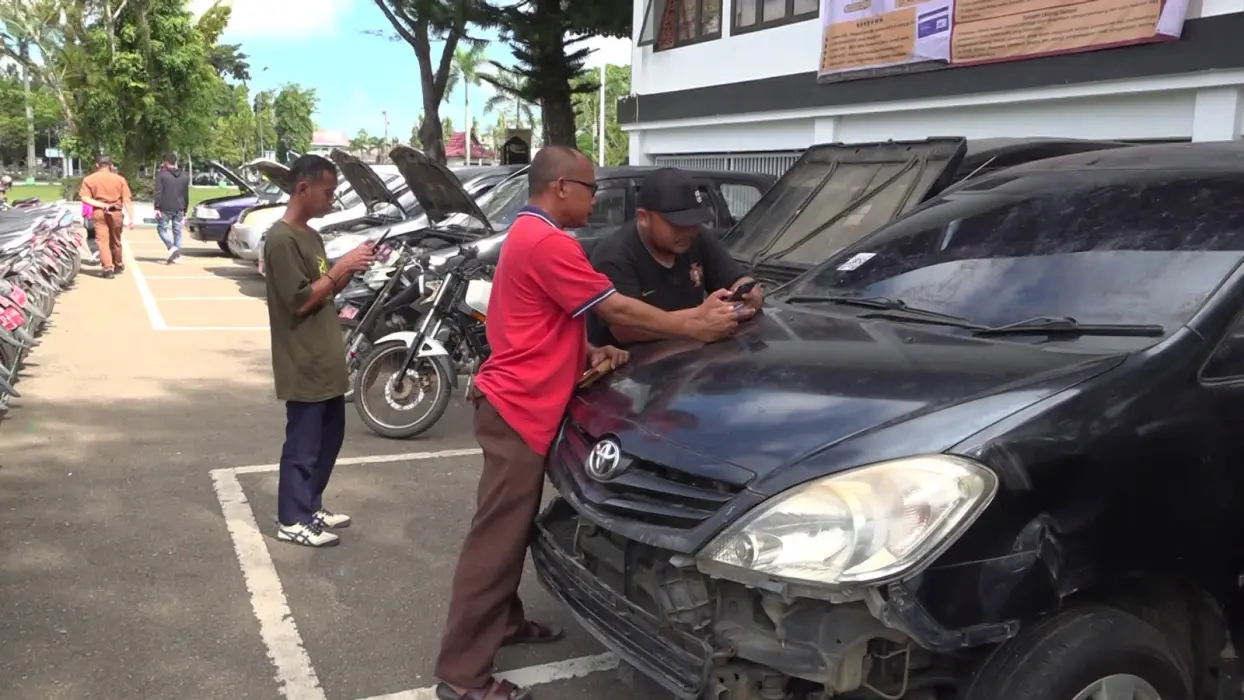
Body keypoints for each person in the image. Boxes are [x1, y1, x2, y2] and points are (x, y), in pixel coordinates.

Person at [433, 145, 739, 700]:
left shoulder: (528, 233)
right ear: (561, 188)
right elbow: (614, 308)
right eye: (590, 189)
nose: (596, 201)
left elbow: (537, 323)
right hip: (518, 410)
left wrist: (588, 352)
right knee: (494, 542)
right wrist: (693, 324)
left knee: (511, 531)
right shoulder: (549, 242)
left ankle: (503, 622)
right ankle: (462, 674)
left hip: (516, 405)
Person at [262, 154, 377, 548]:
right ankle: (292, 518)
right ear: (302, 188)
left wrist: (349, 268)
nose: (332, 199)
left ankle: (310, 505)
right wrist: (340, 268)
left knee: (329, 440)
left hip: (326, 357)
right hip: (303, 360)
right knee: (303, 445)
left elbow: (323, 289)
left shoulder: (310, 235)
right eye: (327, 192)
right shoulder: (281, 240)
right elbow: (300, 301)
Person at [588, 167, 764, 348]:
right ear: (643, 218)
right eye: (678, 224)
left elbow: (735, 278)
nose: (688, 231)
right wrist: (700, 318)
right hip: (632, 362)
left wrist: (747, 292)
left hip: (694, 356)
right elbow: (625, 329)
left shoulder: (697, 237)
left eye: (694, 222)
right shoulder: (614, 254)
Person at [78, 156, 134, 279]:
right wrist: (131, 218)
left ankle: (107, 268)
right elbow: (126, 200)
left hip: (99, 212)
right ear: (111, 165)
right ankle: (118, 263)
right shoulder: (120, 179)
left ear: (97, 165)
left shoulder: (89, 179)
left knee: (102, 240)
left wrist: (101, 204)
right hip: (116, 211)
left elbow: (85, 198)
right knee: (116, 240)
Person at [154, 151, 190, 264]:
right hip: (180, 207)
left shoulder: (161, 175)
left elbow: (158, 192)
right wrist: (185, 210)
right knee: (177, 231)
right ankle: (177, 254)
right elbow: (186, 194)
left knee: (161, 228)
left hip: (165, 207)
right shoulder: (184, 176)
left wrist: (156, 207)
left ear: (165, 162)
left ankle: (171, 247)